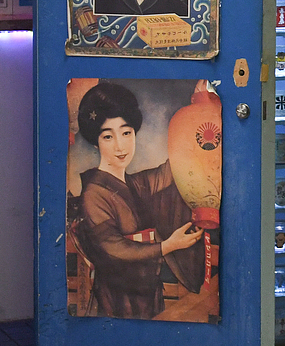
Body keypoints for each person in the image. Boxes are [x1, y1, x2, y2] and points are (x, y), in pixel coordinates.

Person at [72, 82, 206, 318]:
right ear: (95, 142)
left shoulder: (136, 184)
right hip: (117, 297)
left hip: (148, 291)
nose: (120, 146)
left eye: (126, 133)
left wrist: (198, 111)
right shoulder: (94, 193)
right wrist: (168, 246)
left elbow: (172, 169)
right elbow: (114, 248)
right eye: (107, 136)